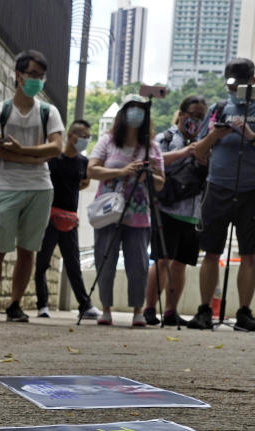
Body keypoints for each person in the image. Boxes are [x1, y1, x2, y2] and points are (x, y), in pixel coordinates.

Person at [187, 58, 255, 332]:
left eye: (241, 84)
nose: (235, 89)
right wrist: (215, 136)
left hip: (253, 189)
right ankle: (204, 310)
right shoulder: (219, 108)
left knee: (249, 253)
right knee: (211, 251)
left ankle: (244, 312)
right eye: (231, 84)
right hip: (218, 186)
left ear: (253, 81)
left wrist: (251, 135)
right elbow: (199, 150)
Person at [0, 50, 65, 322]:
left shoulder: (49, 112)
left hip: (40, 187)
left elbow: (57, 147)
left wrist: (22, 149)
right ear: (18, 75)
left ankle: (15, 305)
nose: (36, 80)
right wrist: (37, 155)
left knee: (27, 250)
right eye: (31, 74)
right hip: (7, 185)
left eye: (40, 76)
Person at [86, 94, 164, 327]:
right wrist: (122, 172)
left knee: (138, 263)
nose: (136, 114)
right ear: (122, 113)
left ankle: (138, 310)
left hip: (138, 214)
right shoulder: (107, 141)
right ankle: (106, 309)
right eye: (132, 109)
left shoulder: (152, 147)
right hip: (108, 211)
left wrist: (147, 174)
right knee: (105, 260)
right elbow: (92, 170)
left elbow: (161, 183)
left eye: (141, 110)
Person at [142, 96, 208, 327]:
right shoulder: (166, 138)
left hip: (192, 211)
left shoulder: (204, 141)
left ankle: (171, 310)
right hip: (166, 207)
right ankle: (149, 308)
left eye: (201, 116)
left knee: (180, 263)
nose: (195, 120)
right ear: (181, 114)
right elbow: (152, 162)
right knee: (161, 260)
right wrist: (185, 152)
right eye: (192, 114)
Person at [33, 119, 102, 320]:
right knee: (42, 263)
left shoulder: (83, 162)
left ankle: (85, 305)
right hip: (49, 217)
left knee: (73, 263)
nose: (85, 140)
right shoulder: (53, 159)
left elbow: (84, 182)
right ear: (71, 136)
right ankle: (42, 304)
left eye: (89, 137)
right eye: (82, 136)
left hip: (70, 220)